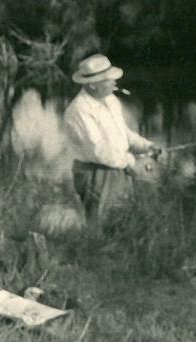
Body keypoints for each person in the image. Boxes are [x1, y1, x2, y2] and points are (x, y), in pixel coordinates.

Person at [63, 54, 161, 224]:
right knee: (100, 225)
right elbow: (99, 151)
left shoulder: (110, 100)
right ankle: (95, 250)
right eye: (109, 79)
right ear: (93, 85)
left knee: (122, 220)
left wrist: (146, 146)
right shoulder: (78, 111)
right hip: (95, 174)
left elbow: (123, 133)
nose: (115, 83)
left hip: (118, 167)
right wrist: (131, 162)